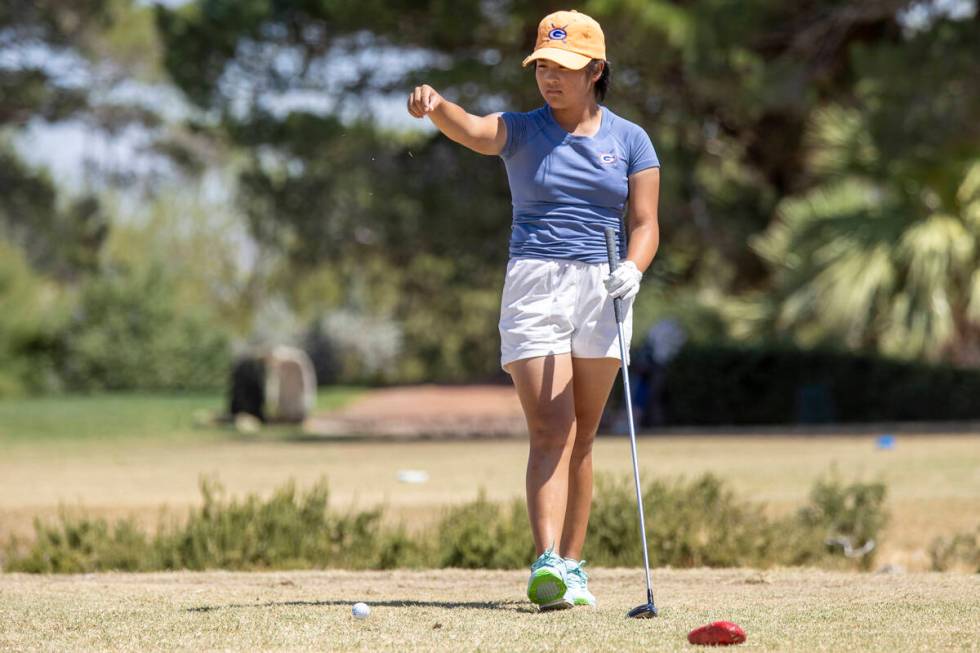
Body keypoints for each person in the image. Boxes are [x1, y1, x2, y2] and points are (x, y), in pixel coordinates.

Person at [407, 9, 660, 611]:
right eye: (542, 65)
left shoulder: (630, 140)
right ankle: (546, 562)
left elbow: (646, 224)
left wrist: (633, 268)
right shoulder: (522, 129)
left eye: (565, 67)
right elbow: (472, 129)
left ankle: (574, 567)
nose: (551, 77)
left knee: (585, 435)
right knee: (552, 428)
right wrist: (436, 106)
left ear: (596, 70)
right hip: (536, 284)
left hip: (605, 286)